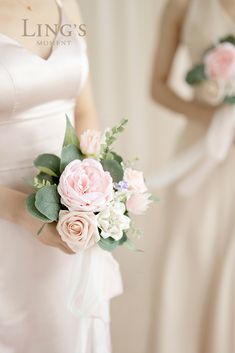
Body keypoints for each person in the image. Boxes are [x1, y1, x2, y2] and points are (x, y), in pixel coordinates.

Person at [0, 1, 121, 352]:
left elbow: (84, 111)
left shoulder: (67, 4)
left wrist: (96, 196)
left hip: (70, 223)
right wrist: (22, 212)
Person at [151, 0, 235, 352]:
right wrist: (212, 116)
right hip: (202, 150)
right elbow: (157, 85)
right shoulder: (183, 5)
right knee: (192, 258)